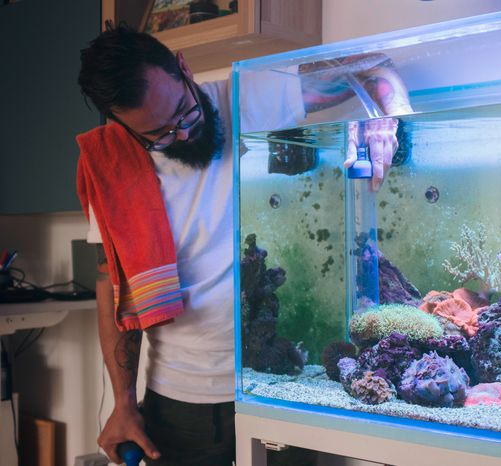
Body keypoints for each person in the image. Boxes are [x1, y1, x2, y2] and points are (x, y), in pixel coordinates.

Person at [76, 23, 411, 465]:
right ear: (122, 125)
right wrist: (122, 401)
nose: (180, 135)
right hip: (180, 398)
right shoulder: (111, 166)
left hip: (275, 382)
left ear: (183, 68)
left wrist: (390, 119)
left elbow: (371, 66)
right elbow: (112, 286)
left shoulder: (244, 97)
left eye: (183, 112)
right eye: (156, 134)